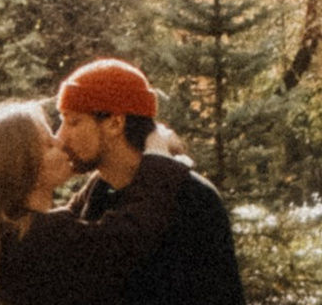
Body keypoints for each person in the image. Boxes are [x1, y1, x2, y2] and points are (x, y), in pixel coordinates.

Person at [0, 96, 190, 305]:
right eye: (47, 144)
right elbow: (130, 234)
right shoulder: (40, 238)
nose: (61, 142)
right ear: (21, 169)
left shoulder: (9, 236)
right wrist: (158, 159)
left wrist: (107, 165)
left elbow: (75, 210)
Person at [56, 60, 246, 305]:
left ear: (115, 123)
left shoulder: (194, 200)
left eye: (73, 122)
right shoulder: (95, 197)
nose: (60, 136)